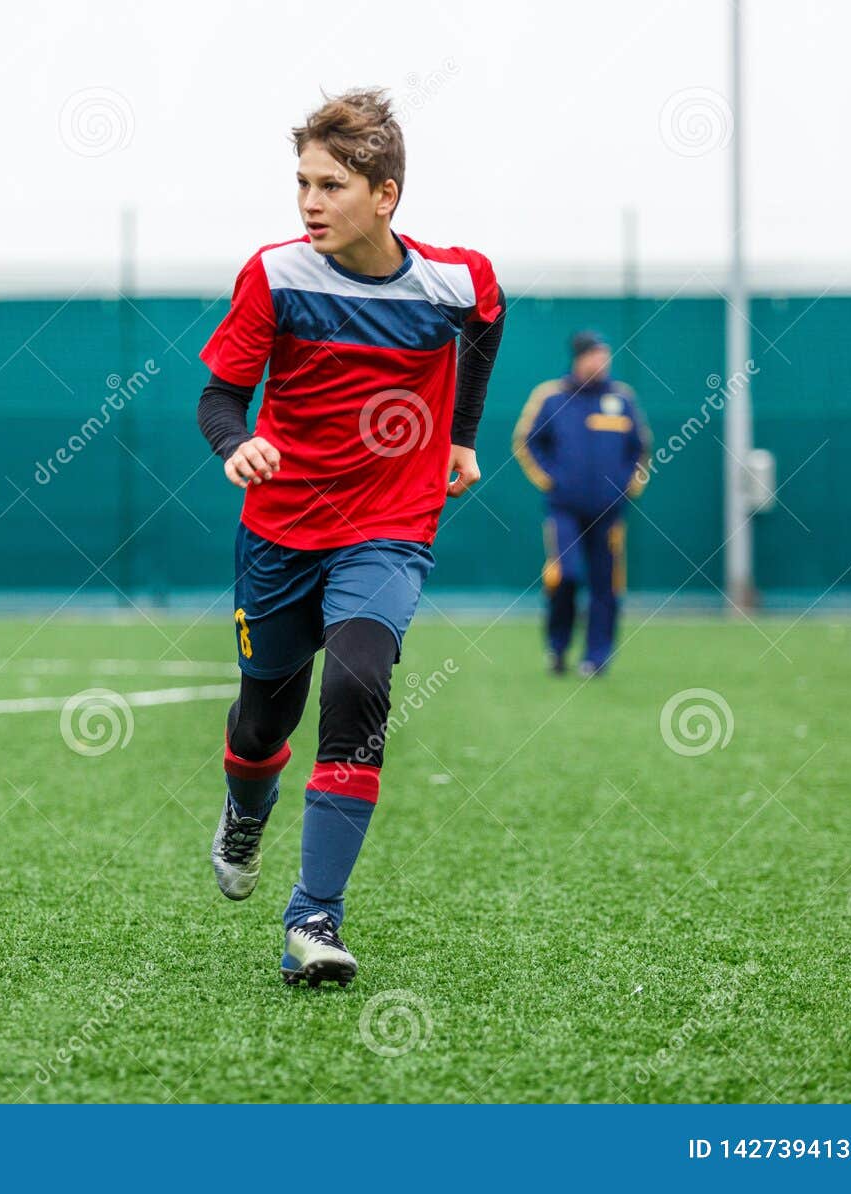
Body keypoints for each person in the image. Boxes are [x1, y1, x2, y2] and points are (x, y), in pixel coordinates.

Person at [197, 88, 505, 988]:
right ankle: (245, 813)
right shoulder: (276, 275)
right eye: (302, 183)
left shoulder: (456, 280)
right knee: (263, 722)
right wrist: (237, 442)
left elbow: (485, 326)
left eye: (331, 184)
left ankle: (313, 918)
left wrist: (461, 436)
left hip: (387, 529)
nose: (310, 202)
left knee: (362, 683)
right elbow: (219, 394)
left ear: (386, 193)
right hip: (281, 533)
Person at [512, 331, 652, 677]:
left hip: (610, 513)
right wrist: (552, 480)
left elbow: (641, 447)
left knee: (606, 585)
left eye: (605, 356)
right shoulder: (551, 396)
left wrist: (627, 486)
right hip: (564, 510)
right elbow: (526, 442)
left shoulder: (623, 398)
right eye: (594, 355)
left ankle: (596, 657)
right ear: (579, 358)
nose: (600, 362)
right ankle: (557, 648)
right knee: (566, 575)